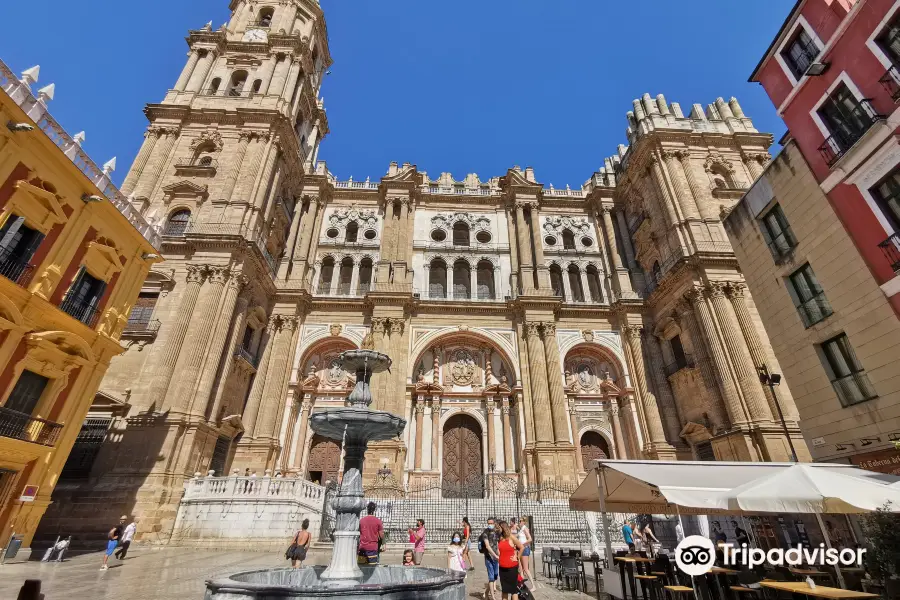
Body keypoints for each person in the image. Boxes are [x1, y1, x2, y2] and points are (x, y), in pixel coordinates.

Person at [497, 520, 524, 600]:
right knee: (504, 590)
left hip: (512, 568)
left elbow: (522, 547)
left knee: (513, 590)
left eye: (499, 527)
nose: (497, 529)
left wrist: (517, 557)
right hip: (502, 567)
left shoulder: (512, 537)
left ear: (503, 527)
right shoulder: (500, 538)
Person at [479, 517, 501, 600]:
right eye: (488, 523)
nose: (490, 525)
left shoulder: (496, 532)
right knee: (491, 578)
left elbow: (497, 545)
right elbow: (487, 546)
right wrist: (495, 556)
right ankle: (493, 597)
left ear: (494, 523)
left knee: (495, 576)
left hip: (496, 558)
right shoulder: (485, 533)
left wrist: (499, 555)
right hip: (489, 557)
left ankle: (485, 592)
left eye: (491, 523)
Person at [517, 515, 535, 586]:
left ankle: (533, 585)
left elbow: (530, 539)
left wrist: (522, 545)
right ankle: (521, 584)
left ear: (524, 522)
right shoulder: (521, 529)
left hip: (524, 549)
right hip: (521, 549)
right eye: (519, 521)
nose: (519, 522)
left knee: (526, 569)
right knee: (520, 568)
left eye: (520, 521)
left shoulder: (525, 528)